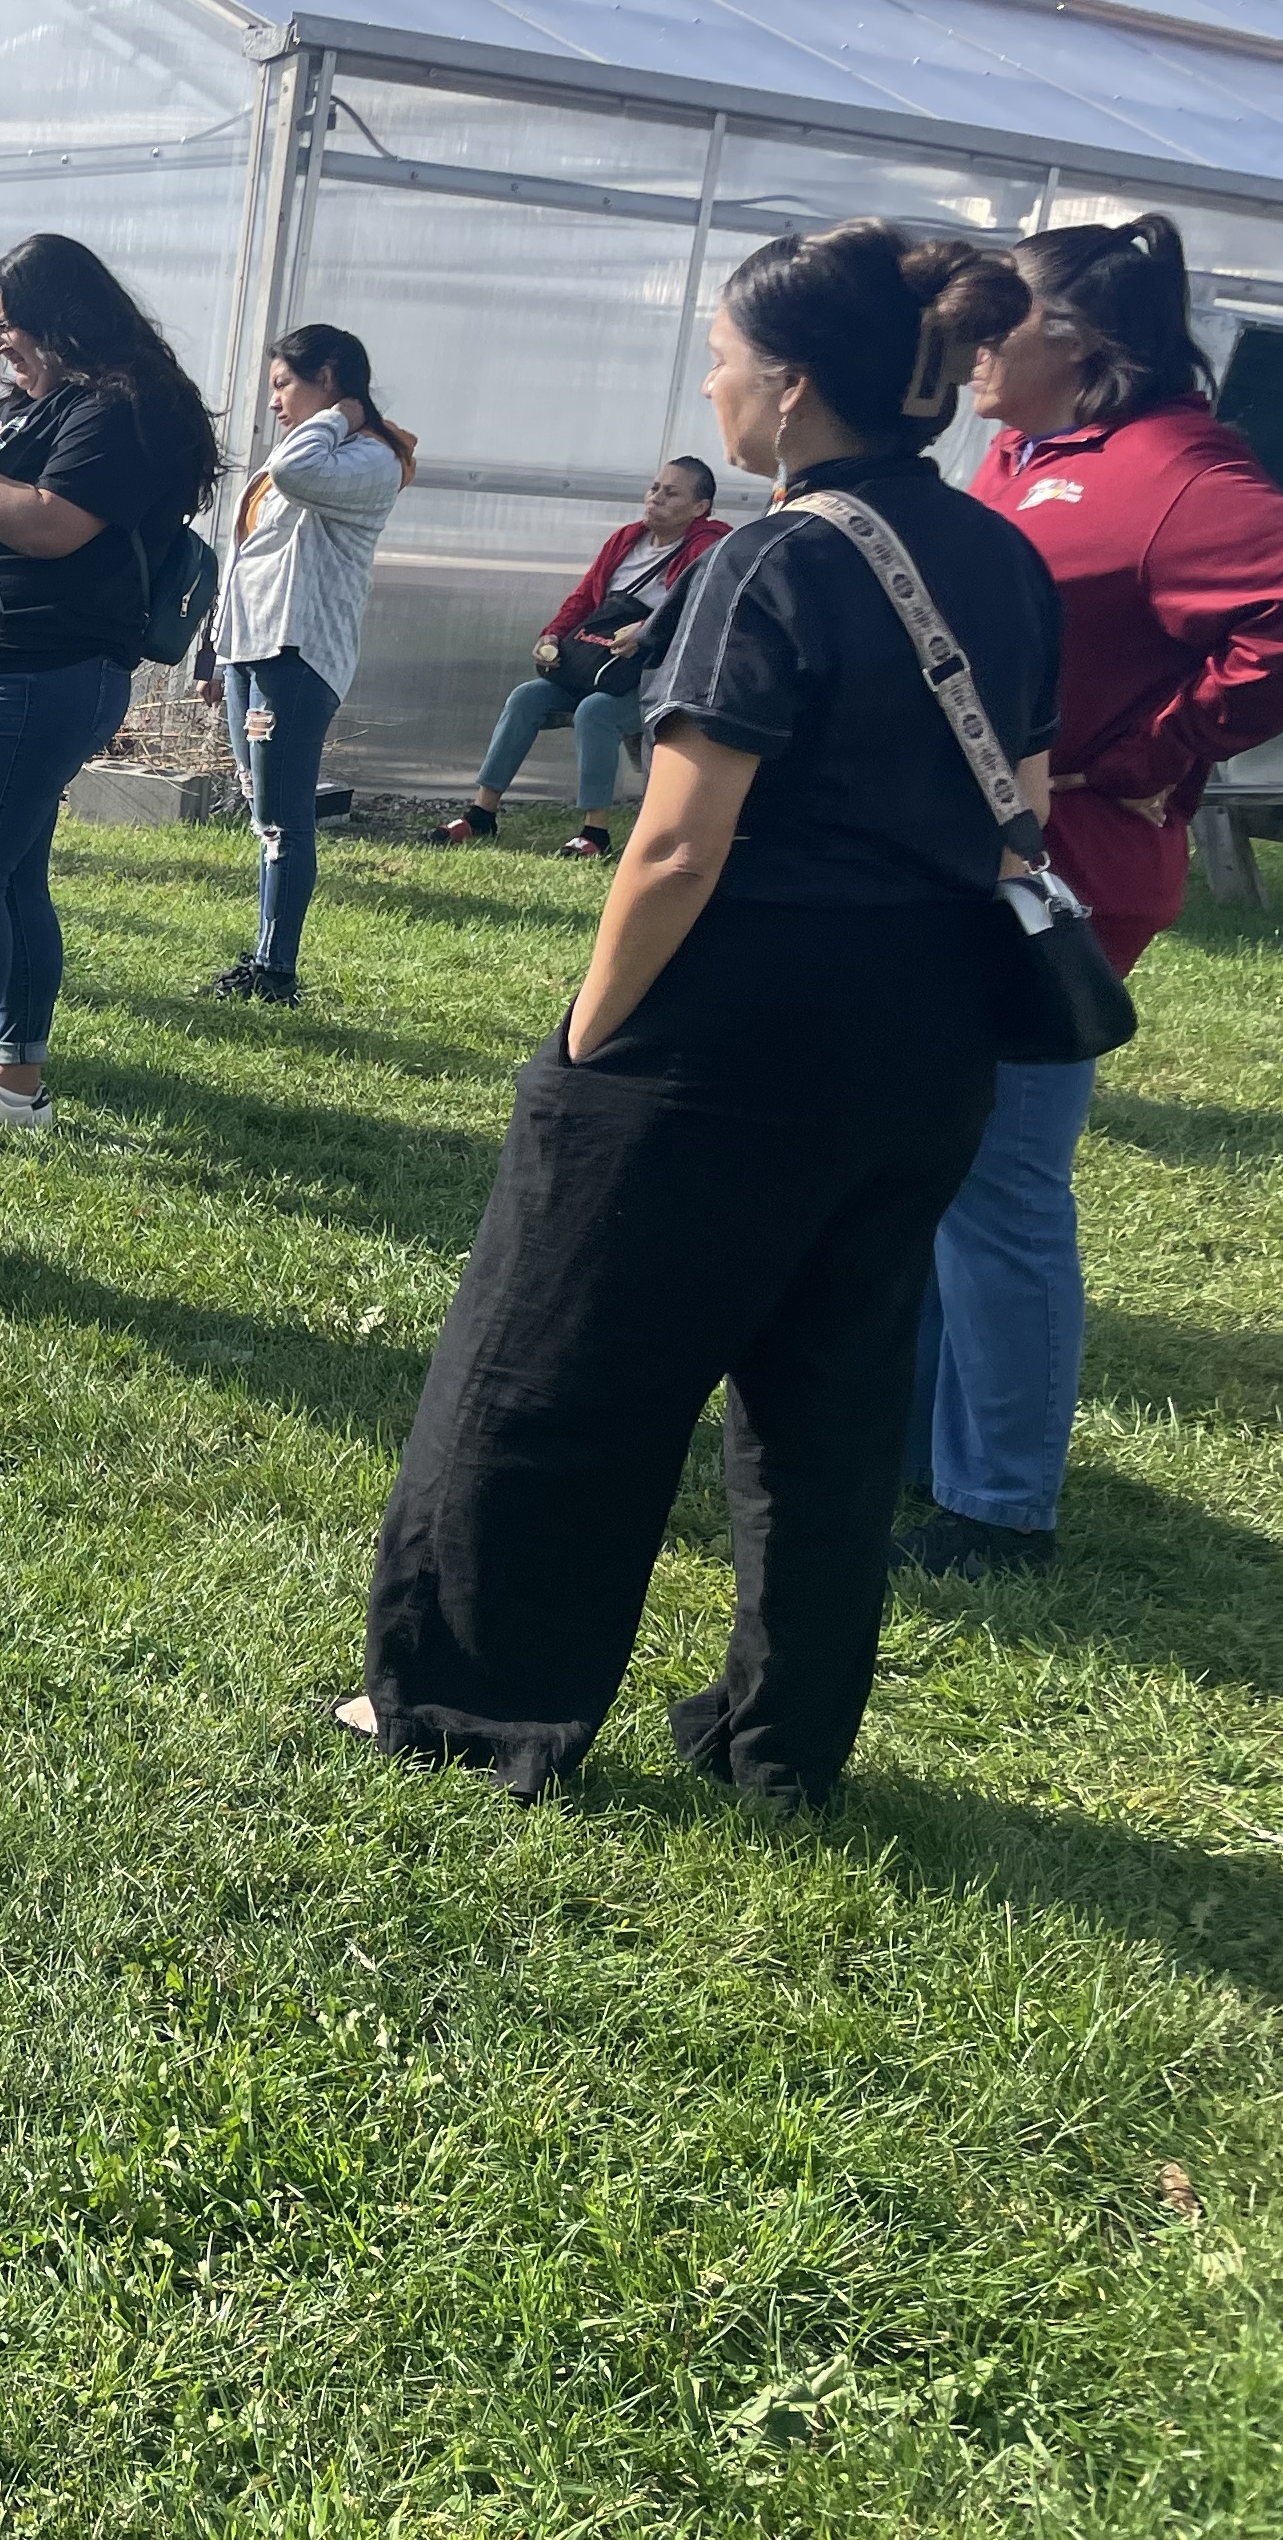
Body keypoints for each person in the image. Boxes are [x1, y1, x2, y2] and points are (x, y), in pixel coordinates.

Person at [345, 222, 1049, 1810]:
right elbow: (1035, 809)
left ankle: (466, 1706)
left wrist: (590, 1036)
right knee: (830, 1402)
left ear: (793, 389)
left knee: (552, 1368)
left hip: (729, 1035)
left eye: (725, 357)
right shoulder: (1005, 558)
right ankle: (776, 1742)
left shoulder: (774, 558)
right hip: (931, 1032)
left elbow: (674, 837)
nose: (713, 384)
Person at [904, 213, 1283, 1576]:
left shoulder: (1170, 469)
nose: (972, 344)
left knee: (1004, 1180)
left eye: (999, 322)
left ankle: (1001, 1508)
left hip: (1067, 872)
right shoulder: (1024, 450)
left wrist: (1153, 753)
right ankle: (931, 1454)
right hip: (967, 857)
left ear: (1081, 345)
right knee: (941, 1165)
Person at [0, 234, 218, 1148]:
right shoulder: (43, 405)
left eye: (11, 329)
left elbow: (49, 527)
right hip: (7, 666)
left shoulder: (115, 411)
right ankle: (16, 1086)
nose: (1, 349)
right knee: (10, 876)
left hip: (41, 669)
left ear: (68, 318)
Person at [198, 325, 409, 1005]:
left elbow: (294, 471)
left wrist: (344, 413)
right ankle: (263, 957)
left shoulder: (371, 457)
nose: (275, 404)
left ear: (329, 376)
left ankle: (276, 971)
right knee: (264, 815)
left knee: (286, 819)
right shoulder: (323, 446)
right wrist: (215, 648)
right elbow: (249, 553)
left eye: (286, 385)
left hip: (296, 650)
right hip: (251, 647)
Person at [436, 459, 730, 854]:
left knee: (596, 712)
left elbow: (699, 614)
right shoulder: (626, 540)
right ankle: (481, 814)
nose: (655, 498)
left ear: (700, 507)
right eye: (655, 487)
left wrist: (647, 634)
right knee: (527, 697)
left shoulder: (709, 548)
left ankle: (596, 833)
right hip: (598, 667)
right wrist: (552, 637)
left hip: (652, 680)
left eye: (671, 492)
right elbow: (583, 600)